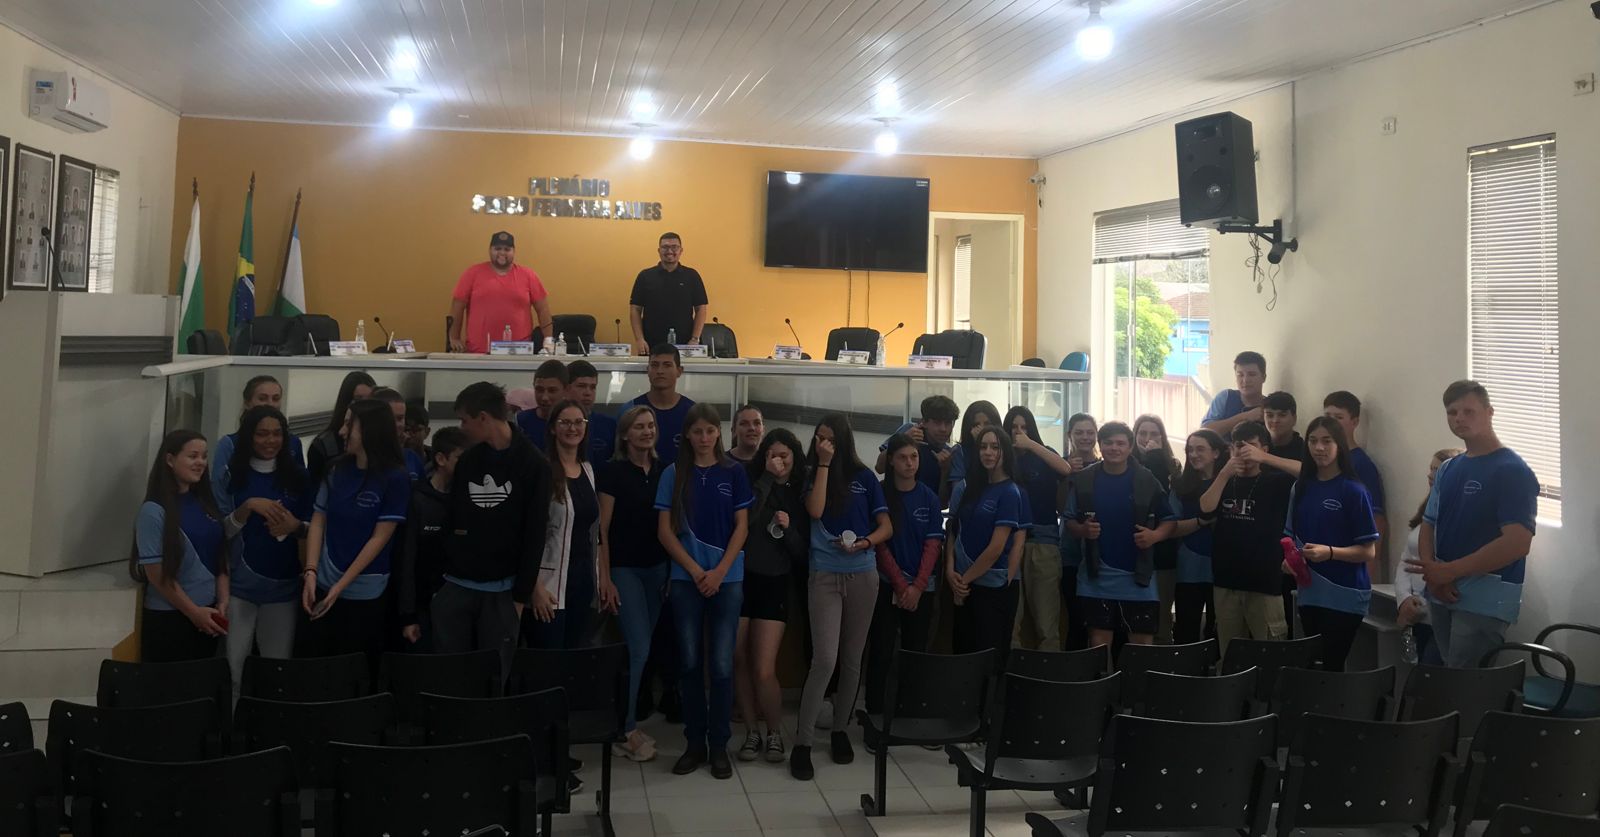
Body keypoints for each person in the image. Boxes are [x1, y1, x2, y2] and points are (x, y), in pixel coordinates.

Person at [1405, 380, 1539, 669]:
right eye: (1452, 412)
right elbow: (1429, 523)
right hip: (1442, 592)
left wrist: (1450, 571)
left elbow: (1517, 543)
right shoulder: (1449, 468)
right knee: (1443, 678)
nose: (1459, 418)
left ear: (1489, 412)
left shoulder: (1512, 470)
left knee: (1466, 685)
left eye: (1469, 411)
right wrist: (1433, 573)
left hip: (1483, 599)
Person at [790, 414, 891, 781]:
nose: (824, 444)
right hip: (825, 575)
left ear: (844, 440)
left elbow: (885, 526)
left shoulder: (865, 477)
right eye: (819, 438)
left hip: (862, 572)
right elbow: (815, 510)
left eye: (831, 439)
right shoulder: (812, 473)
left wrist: (865, 543)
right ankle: (802, 743)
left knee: (851, 660)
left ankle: (839, 731)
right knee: (825, 660)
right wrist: (823, 464)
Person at [655, 404, 751, 780]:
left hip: (728, 578)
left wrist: (721, 571)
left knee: (723, 665)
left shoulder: (734, 471)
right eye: (697, 431)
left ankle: (718, 745)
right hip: (686, 579)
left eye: (710, 431)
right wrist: (696, 572)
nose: (704, 438)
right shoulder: (673, 473)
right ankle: (694, 743)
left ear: (719, 433)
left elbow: (742, 527)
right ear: (687, 435)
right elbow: (664, 532)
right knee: (690, 663)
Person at [432, 383, 553, 676]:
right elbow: (453, 517)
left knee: (493, 674)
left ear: (483, 418)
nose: (462, 427)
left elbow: (535, 533)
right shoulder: (469, 460)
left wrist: (520, 597)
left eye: (465, 420)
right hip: (458, 584)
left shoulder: (533, 464)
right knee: (451, 673)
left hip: (503, 591)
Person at [302, 399, 411, 667]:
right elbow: (318, 520)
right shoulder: (336, 469)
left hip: (365, 591)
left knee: (354, 665)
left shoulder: (395, 477)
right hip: (323, 581)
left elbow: (380, 538)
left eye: (350, 425)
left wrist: (340, 588)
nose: (342, 431)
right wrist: (311, 572)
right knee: (317, 662)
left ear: (370, 431)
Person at [221, 406, 311, 693]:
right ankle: (232, 721)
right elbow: (221, 531)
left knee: (277, 675)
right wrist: (247, 507)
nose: (270, 441)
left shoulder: (299, 477)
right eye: (261, 434)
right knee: (233, 673)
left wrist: (295, 526)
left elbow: (316, 531)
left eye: (276, 434)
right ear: (249, 436)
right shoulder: (232, 476)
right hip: (240, 589)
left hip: (283, 590)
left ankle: (272, 721)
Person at [598, 406, 670, 762]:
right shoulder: (612, 472)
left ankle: (625, 722)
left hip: (657, 569)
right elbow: (602, 529)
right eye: (639, 427)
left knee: (642, 649)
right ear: (625, 434)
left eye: (651, 425)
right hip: (624, 571)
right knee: (638, 648)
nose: (646, 431)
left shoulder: (664, 470)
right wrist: (605, 577)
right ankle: (623, 730)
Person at [733, 428, 808, 765]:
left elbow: (801, 552)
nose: (778, 461)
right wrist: (765, 479)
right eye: (772, 455)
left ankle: (774, 731)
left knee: (764, 667)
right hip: (740, 579)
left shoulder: (799, 493)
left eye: (784, 456)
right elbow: (744, 523)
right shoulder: (752, 483)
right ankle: (751, 731)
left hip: (775, 583)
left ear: (794, 458)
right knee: (738, 658)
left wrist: (788, 528)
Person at [1065, 421, 1174, 649]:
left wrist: (1154, 536)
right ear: (1100, 445)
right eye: (1108, 443)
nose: (1114, 448)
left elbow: (1170, 520)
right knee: (1098, 644)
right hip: (1096, 576)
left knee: (1141, 645)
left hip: (1139, 576)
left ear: (1130, 447)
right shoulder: (1083, 479)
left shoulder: (1147, 479)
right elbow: (1069, 521)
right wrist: (1083, 530)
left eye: (1120, 443)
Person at [1287, 416, 1379, 671]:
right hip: (1309, 592)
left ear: (1339, 445)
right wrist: (1291, 559)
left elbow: (1368, 551)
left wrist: (1329, 553)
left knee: (1332, 666)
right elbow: (1291, 539)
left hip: (1345, 593)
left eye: (1327, 441)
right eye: (1313, 441)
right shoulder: (1300, 488)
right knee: (1313, 665)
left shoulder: (1354, 491)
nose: (1319, 448)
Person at [131, 430, 228, 662]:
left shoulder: (204, 502)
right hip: (170, 619)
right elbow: (157, 576)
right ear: (170, 459)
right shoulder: (152, 511)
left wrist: (223, 601)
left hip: (209, 615)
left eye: (204, 456)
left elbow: (220, 557)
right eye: (193, 456)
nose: (200, 462)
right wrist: (194, 613)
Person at [1201, 420, 1297, 653]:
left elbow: (1309, 473)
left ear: (1264, 449)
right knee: (1229, 654)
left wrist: (1265, 458)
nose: (1243, 452)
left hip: (1264, 581)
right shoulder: (1224, 480)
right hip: (1226, 581)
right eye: (1238, 446)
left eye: (1251, 446)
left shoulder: (1276, 481)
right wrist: (1224, 474)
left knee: (1270, 654)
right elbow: (1205, 508)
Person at [865, 433, 944, 715]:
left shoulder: (929, 497)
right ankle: (875, 713)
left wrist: (918, 586)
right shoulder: (880, 494)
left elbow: (933, 545)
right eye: (902, 458)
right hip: (888, 584)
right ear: (891, 461)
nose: (909, 463)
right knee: (881, 650)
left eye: (914, 457)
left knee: (916, 651)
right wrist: (900, 584)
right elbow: (880, 545)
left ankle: (910, 712)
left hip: (921, 587)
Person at [525, 400, 600, 651]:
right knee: (548, 657)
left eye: (579, 422)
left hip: (582, 579)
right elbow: (526, 532)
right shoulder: (542, 471)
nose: (572, 428)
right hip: (548, 583)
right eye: (565, 422)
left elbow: (594, 531)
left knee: (574, 654)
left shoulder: (587, 470)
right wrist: (534, 587)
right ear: (553, 428)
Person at [948, 426, 1026, 660]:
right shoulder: (967, 487)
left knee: (988, 660)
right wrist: (950, 572)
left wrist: (964, 581)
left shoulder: (1010, 491)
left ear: (1005, 452)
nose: (988, 452)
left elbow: (996, 548)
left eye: (995, 447)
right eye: (983, 447)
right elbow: (953, 531)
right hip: (961, 584)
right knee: (962, 653)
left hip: (989, 587)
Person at [1006, 406, 1073, 652]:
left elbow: (1065, 469)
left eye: (1024, 427)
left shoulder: (1044, 453)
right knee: (1010, 620)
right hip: (1008, 541)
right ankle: (1011, 670)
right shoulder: (1002, 457)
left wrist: (1031, 444)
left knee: (1047, 621)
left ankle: (1048, 671)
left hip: (1043, 540)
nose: (1019, 432)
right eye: (1014, 427)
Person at [397, 427, 467, 652]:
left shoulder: (466, 499)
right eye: (460, 458)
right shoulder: (418, 500)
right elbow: (408, 559)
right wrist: (408, 615)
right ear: (441, 459)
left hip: (458, 604)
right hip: (423, 607)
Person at [1396, 448, 1461, 667]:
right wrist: (1404, 599)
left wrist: (1423, 603)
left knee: (1433, 671)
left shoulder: (1459, 512)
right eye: (1431, 469)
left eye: (1437, 470)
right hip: (1415, 613)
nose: (1431, 475)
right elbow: (1406, 560)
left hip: (1438, 612)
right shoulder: (1428, 507)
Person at [448, 230, 555, 354]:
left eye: (507, 249)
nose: (502, 253)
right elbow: (457, 307)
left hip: (519, 352)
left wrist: (548, 339)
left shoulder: (528, 275)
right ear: (490, 250)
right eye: (497, 248)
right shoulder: (472, 273)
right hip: (478, 352)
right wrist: (454, 338)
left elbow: (543, 309)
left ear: (514, 251)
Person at [1169, 430, 1227, 644]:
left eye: (1200, 449)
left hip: (1223, 570)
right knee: (1186, 631)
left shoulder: (1232, 484)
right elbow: (1171, 528)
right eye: (1190, 450)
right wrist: (1201, 521)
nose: (1194, 454)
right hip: (1189, 570)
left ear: (1216, 453)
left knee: (1219, 633)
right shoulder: (1180, 486)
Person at [1323, 391, 1389, 577]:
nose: (1331, 422)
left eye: (1338, 417)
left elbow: (1377, 519)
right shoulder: (1322, 460)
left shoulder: (1361, 464)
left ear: (1355, 422)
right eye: (1327, 416)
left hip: (1350, 559)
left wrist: (1369, 568)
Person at [212, 375, 306, 503]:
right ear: (247, 403)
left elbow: (301, 488)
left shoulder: (293, 442)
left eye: (276, 399)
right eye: (262, 398)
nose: (270, 404)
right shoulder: (229, 444)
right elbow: (219, 495)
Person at [1133, 414, 1181, 644]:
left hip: (1163, 551)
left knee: (1161, 620)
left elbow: (1161, 496)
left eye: (1154, 434)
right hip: (1133, 552)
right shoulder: (1125, 464)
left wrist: (1154, 457)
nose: (1147, 438)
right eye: (1142, 433)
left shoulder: (1172, 466)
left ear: (1163, 438)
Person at [629, 231, 708, 354]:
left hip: (686, 345)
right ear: (659, 250)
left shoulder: (692, 276)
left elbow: (701, 309)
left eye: (674, 247)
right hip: (650, 344)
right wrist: (639, 339)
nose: (670, 251)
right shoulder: (645, 276)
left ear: (681, 250)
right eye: (665, 247)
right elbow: (635, 309)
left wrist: (695, 339)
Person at [1059, 412, 1100, 651]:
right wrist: (1068, 474)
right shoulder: (1060, 465)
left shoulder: (1106, 465)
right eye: (1079, 432)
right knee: (1075, 619)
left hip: (1100, 555)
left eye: (1090, 432)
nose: (1085, 437)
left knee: (1098, 621)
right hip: (1071, 554)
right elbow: (1059, 506)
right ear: (1070, 435)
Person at [874, 395, 959, 496]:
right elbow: (879, 468)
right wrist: (903, 441)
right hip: (893, 500)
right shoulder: (910, 430)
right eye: (937, 422)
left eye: (948, 423)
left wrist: (945, 470)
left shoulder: (949, 454)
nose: (943, 429)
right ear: (924, 422)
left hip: (925, 504)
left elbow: (943, 502)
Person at [307, 371, 376, 487]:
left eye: (370, 400)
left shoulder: (378, 440)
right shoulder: (323, 445)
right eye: (359, 400)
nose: (365, 406)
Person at [631, 344, 695, 462]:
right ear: (648, 370)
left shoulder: (693, 412)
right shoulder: (631, 409)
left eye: (667, 365)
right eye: (655, 365)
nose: (660, 371)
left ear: (679, 371)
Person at [946, 400, 1004, 509]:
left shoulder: (1004, 449)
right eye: (976, 425)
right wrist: (978, 445)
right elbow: (958, 492)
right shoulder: (959, 451)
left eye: (987, 424)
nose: (982, 429)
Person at [1201, 351, 1268, 439]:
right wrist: (1245, 417)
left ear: (1263, 377)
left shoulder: (1269, 407)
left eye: (1252, 375)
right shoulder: (1226, 397)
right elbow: (1204, 432)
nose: (1245, 380)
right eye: (1240, 375)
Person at [566, 360, 618, 464]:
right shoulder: (556, 424)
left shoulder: (609, 425)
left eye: (592, 387)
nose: (588, 393)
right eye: (581, 386)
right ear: (567, 388)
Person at [371, 387, 428, 480]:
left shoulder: (412, 458)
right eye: (390, 418)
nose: (397, 424)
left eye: (400, 418)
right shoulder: (364, 459)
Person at [516, 360, 569, 452]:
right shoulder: (521, 421)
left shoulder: (574, 424)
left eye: (552, 391)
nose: (544, 397)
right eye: (539, 390)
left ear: (565, 390)